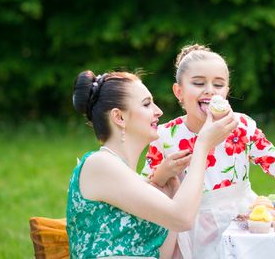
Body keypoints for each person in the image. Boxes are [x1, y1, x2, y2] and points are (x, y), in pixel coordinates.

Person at [141, 44, 275, 258]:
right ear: (179, 91)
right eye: (199, 83)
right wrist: (163, 172)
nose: (210, 90)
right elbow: (146, 192)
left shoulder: (241, 126)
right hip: (189, 230)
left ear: (227, 92)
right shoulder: (165, 137)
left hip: (239, 223)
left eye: (218, 84)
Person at [67, 70, 238, 258]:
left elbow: (161, 254)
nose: (159, 111)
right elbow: (182, 218)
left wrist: (172, 191)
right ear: (119, 117)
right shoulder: (99, 164)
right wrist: (203, 146)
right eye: (147, 104)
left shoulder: (130, 178)